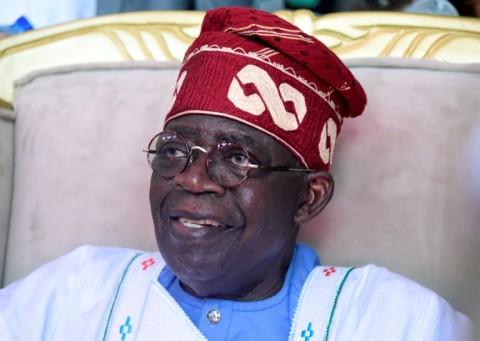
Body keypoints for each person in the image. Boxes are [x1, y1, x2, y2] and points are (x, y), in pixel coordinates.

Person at [0, 6, 474, 340]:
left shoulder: (395, 320)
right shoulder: (71, 293)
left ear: (309, 198)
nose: (192, 178)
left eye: (237, 157)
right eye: (174, 149)